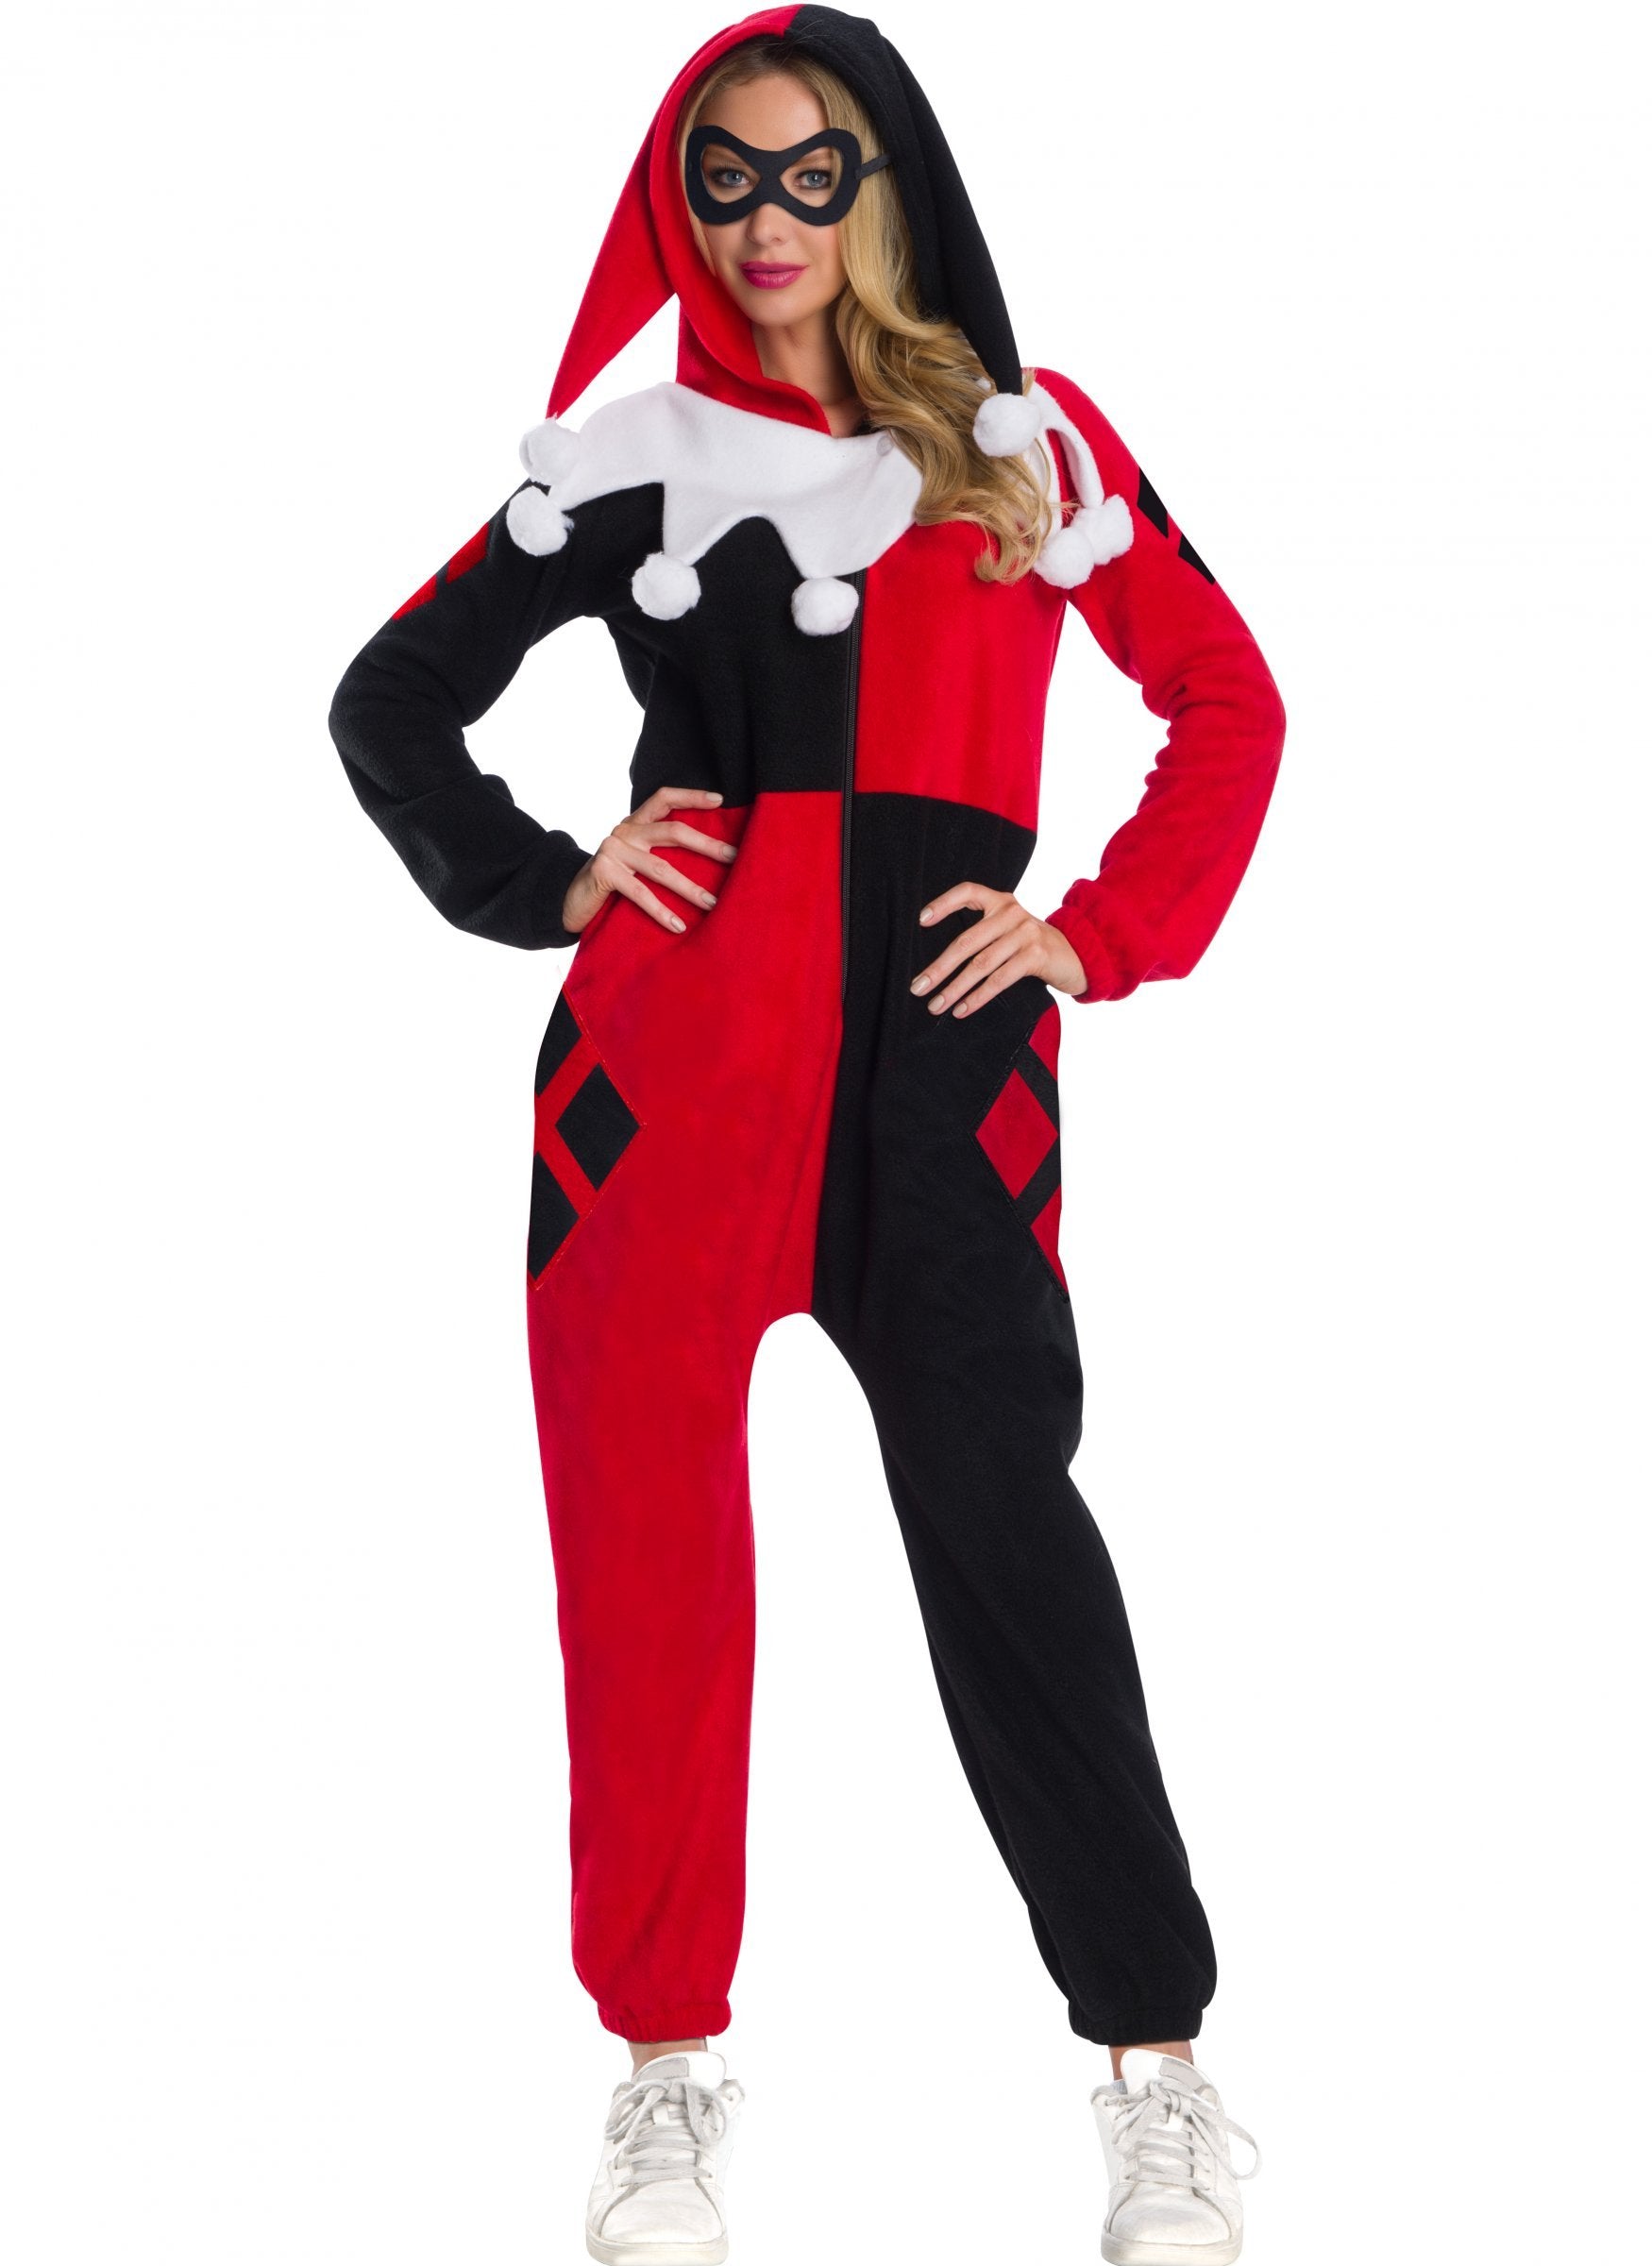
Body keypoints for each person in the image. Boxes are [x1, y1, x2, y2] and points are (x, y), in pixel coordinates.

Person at [328, 8, 1282, 2261]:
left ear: (885, 183)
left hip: (947, 1084)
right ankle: (661, 2075)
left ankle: (1154, 2072)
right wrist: (549, 875)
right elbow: (390, 702)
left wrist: (1092, 936)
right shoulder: (631, 459)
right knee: (645, 1561)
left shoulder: (1026, 441)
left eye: (810, 171)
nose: (767, 223)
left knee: (1006, 1536)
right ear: (680, 207)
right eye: (724, 179)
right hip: (661, 1086)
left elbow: (1226, 699)